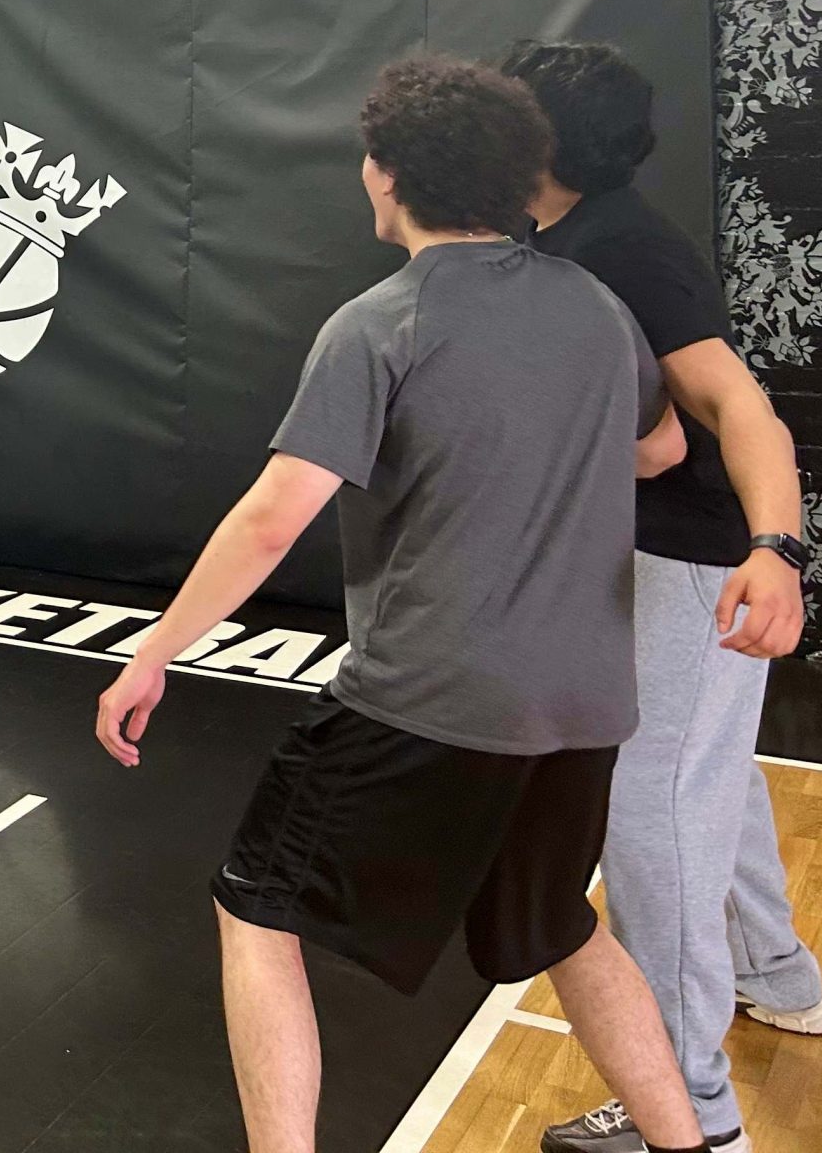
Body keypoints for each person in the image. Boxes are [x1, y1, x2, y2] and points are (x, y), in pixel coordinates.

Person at [95, 57, 715, 1153]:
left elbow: (272, 517)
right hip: (581, 705)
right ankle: (688, 1144)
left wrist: (155, 649)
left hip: (431, 696)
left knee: (256, 910)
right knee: (559, 925)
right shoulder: (594, 305)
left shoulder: (381, 321)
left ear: (384, 177)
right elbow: (661, 448)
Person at [503, 41, 822, 1153]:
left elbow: (742, 408)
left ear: (538, 141)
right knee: (709, 783)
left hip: (690, 567)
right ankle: (781, 977)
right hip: (660, 563)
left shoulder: (623, 247)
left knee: (653, 822)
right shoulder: (565, 236)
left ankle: (685, 1112)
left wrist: (775, 546)